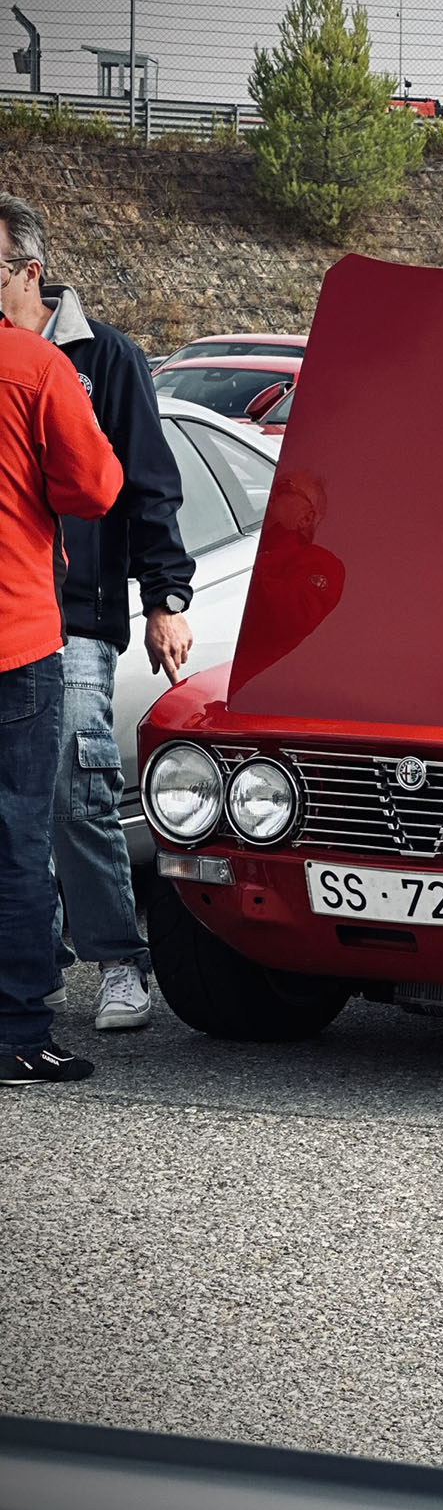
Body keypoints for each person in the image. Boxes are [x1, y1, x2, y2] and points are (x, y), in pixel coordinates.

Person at [0, 195, 195, 1033]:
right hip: (12, 611)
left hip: (77, 614)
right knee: (16, 801)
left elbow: (145, 485)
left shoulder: (103, 356)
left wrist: (165, 598)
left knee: (75, 787)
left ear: (29, 271)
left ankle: (119, 959)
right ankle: (35, 964)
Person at [0, 313, 124, 1083]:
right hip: (14, 640)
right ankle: (15, 1034)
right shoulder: (33, 364)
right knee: (15, 838)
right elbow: (96, 486)